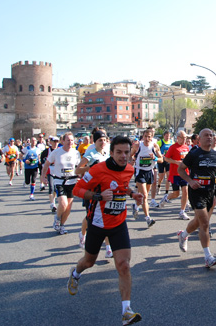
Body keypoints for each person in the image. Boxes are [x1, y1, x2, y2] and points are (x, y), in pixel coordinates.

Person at [67, 136, 144, 325]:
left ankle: (126, 311)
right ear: (111, 152)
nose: (123, 156)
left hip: (118, 224)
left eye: (126, 152)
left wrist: (132, 193)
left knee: (124, 265)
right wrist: (98, 196)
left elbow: (122, 186)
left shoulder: (129, 169)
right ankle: (75, 273)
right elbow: (77, 189)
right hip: (98, 224)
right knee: (89, 262)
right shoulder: (97, 170)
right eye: (119, 152)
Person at [176, 128, 216, 268]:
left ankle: (183, 234)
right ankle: (208, 256)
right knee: (204, 223)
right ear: (200, 139)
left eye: (211, 135)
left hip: (211, 191)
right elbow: (181, 169)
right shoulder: (194, 154)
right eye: (206, 135)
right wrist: (190, 181)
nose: (209, 137)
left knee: (198, 221)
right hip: (196, 191)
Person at [75, 130, 110, 253]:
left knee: (106, 216)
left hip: (105, 189)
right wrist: (90, 167)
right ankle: (82, 234)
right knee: (91, 217)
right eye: (100, 140)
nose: (103, 142)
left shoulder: (107, 154)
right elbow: (77, 171)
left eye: (104, 140)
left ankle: (108, 247)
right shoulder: (90, 154)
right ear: (95, 142)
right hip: (91, 190)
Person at [41, 132, 81, 235]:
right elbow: (46, 164)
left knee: (68, 207)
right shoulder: (57, 152)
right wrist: (43, 176)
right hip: (59, 180)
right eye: (68, 140)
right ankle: (57, 219)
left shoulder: (75, 153)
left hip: (72, 181)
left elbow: (78, 167)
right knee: (63, 204)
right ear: (63, 141)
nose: (70, 142)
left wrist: (81, 177)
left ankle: (62, 225)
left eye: (72, 140)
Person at [129, 128, 163, 227]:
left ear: (152, 137)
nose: (147, 139)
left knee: (145, 196)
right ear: (142, 137)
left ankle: (135, 205)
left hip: (149, 171)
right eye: (145, 137)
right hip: (140, 171)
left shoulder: (155, 146)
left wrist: (155, 158)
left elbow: (161, 159)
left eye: (149, 137)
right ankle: (148, 218)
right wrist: (132, 159)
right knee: (144, 195)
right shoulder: (137, 146)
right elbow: (129, 155)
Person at [160, 130, 191, 220]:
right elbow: (166, 158)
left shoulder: (186, 147)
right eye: (183, 137)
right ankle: (167, 197)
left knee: (185, 191)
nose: (185, 139)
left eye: (186, 137)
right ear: (178, 138)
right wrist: (175, 162)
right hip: (175, 173)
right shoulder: (173, 147)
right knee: (176, 194)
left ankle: (182, 211)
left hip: (185, 173)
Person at [41, 136, 59, 212]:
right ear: (50, 142)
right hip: (50, 170)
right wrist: (43, 175)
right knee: (51, 187)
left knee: (55, 188)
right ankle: (52, 204)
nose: (55, 143)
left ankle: (53, 199)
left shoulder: (59, 151)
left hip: (58, 171)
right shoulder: (46, 152)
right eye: (54, 142)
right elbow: (43, 163)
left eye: (57, 142)